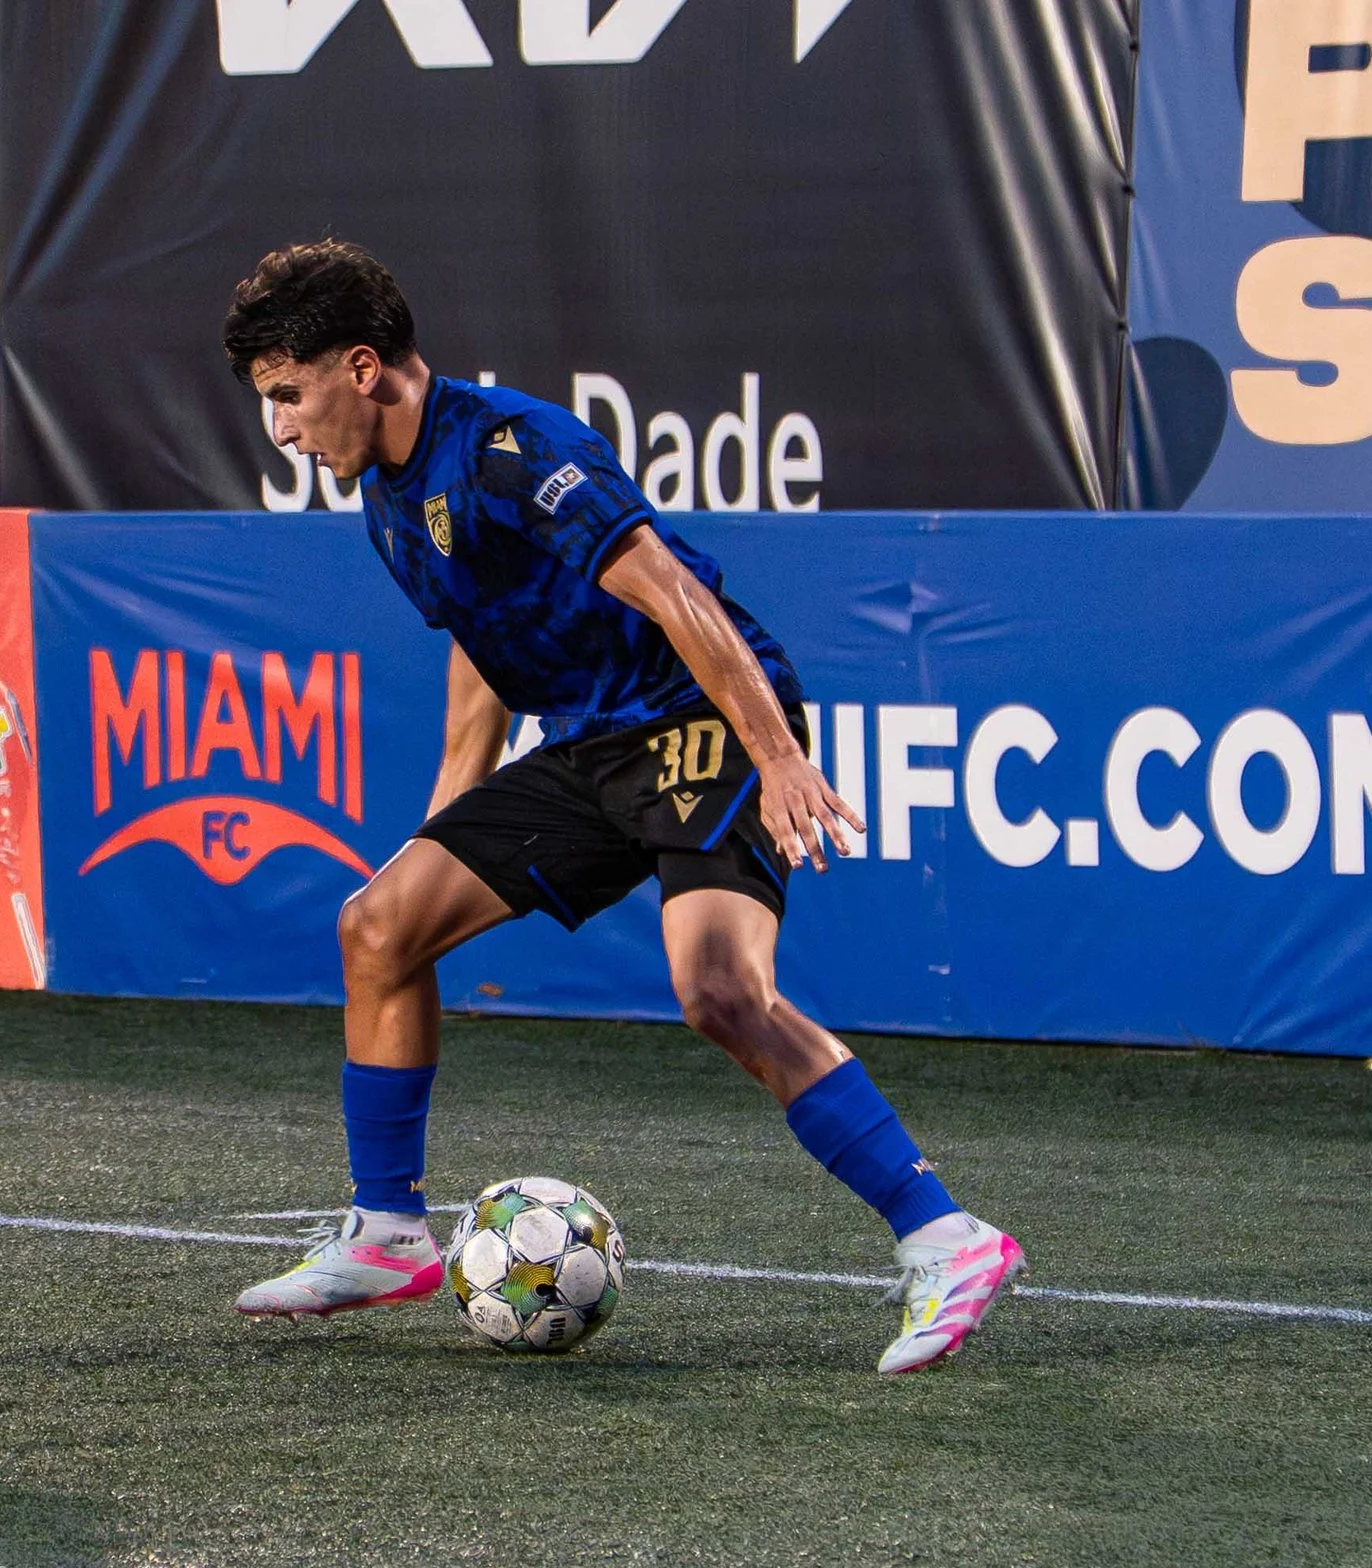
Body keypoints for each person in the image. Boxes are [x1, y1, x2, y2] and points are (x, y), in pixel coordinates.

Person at [220, 243, 1024, 1374]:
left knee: (718, 990)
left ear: (361, 368)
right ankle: (390, 1232)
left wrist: (776, 753)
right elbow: (483, 643)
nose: (284, 430)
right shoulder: (389, 505)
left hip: (692, 711)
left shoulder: (512, 449)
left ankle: (947, 1237)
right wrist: (448, 818)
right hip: (592, 740)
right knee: (379, 925)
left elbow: (670, 586)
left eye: (287, 396)